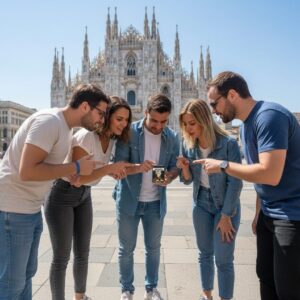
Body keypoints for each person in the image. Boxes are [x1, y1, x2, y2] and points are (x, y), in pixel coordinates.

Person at [0, 83, 110, 299]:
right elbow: (27, 171)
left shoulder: (65, 128)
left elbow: (45, 167)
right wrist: (76, 167)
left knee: (26, 277)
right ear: (86, 106)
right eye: (101, 113)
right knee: (12, 283)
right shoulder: (50, 122)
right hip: (13, 209)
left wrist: (68, 174)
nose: (102, 120)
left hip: (30, 209)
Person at [199, 71, 300, 300]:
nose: (214, 110)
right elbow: (258, 175)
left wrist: (223, 165)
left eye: (215, 103)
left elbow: (270, 174)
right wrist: (258, 213)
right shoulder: (246, 125)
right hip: (269, 214)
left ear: (232, 95)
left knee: (288, 288)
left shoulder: (269, 116)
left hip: (292, 215)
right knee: (266, 277)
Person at [44, 96, 133, 300]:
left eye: (126, 120)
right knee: (61, 256)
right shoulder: (86, 136)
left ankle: (80, 296)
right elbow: (77, 178)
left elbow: (99, 170)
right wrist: (109, 169)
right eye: (119, 118)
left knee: (83, 252)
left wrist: (138, 168)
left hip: (85, 195)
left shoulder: (111, 139)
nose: (124, 124)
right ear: (107, 117)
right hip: (63, 194)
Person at [113, 94, 180, 300]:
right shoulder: (130, 132)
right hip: (129, 200)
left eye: (163, 122)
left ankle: (151, 289)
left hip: (155, 203)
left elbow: (173, 167)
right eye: (154, 121)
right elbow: (118, 165)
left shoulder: (171, 137)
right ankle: (127, 290)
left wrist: (170, 175)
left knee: (153, 249)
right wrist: (138, 168)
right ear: (145, 113)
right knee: (126, 249)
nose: (158, 126)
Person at [176, 99, 242, 300]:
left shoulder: (228, 144)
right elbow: (187, 181)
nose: (188, 128)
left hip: (225, 206)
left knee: (223, 259)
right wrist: (185, 168)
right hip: (201, 204)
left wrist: (226, 215)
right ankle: (207, 295)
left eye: (192, 123)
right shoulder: (189, 145)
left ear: (204, 120)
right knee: (204, 254)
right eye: (186, 124)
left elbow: (236, 182)